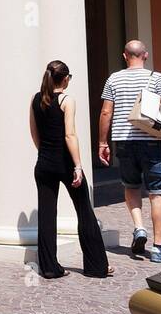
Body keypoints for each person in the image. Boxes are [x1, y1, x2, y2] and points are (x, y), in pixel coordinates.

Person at [98, 39, 161, 264]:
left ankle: (139, 227)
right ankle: (158, 247)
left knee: (131, 187)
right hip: (151, 141)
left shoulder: (113, 78)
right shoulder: (156, 78)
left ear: (124, 56)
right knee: (157, 192)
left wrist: (102, 143)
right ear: (146, 55)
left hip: (123, 142)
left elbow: (105, 113)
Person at [30, 60, 111, 279]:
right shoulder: (67, 100)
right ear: (65, 79)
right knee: (84, 211)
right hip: (65, 163)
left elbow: (34, 133)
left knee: (46, 215)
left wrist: (45, 153)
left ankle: (48, 267)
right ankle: (96, 266)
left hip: (44, 163)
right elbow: (70, 135)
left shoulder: (36, 99)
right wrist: (78, 166)